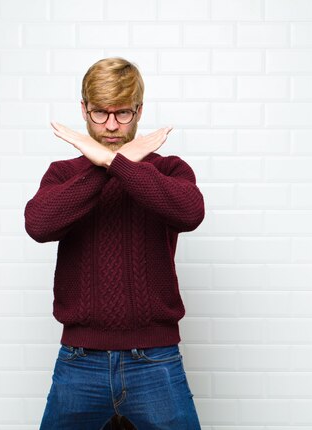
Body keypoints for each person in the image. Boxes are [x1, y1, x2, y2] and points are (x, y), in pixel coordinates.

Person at [24, 57, 204, 430]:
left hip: (154, 359)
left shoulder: (168, 169)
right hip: (79, 360)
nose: (110, 126)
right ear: (83, 110)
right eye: (100, 113)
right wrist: (109, 163)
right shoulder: (63, 174)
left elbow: (191, 213)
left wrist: (116, 163)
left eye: (122, 114)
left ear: (139, 110)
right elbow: (39, 225)